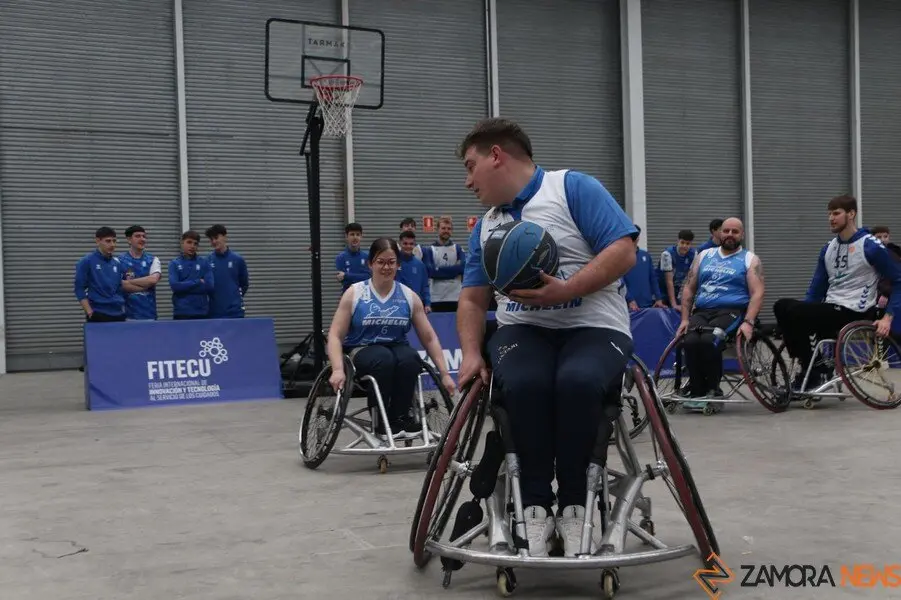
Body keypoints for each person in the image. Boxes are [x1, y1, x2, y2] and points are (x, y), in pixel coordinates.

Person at [455, 118, 638, 558]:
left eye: (470, 166)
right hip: (524, 330)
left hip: (594, 324)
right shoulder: (486, 227)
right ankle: (534, 508)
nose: (467, 182)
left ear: (496, 155)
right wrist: (469, 353)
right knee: (525, 384)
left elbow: (624, 250)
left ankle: (575, 506)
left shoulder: (572, 188)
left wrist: (568, 289)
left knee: (576, 382)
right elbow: (473, 301)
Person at [326, 238, 456, 440]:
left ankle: (400, 418)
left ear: (398, 264)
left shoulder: (409, 296)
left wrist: (445, 374)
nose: (386, 267)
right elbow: (335, 335)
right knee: (383, 358)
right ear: (370, 264)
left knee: (410, 358)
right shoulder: (355, 293)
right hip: (361, 349)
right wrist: (337, 369)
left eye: (391, 262)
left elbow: (429, 338)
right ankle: (382, 421)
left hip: (396, 347)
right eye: (380, 262)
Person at [773, 196, 901, 390]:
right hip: (832, 306)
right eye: (829, 214)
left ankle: (813, 373)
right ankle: (813, 367)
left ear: (851, 214)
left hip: (856, 309)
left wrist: (888, 318)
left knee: (794, 313)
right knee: (782, 306)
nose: (831, 218)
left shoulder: (870, 246)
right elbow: (816, 289)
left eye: (836, 213)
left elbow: (898, 280)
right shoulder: (828, 248)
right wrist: (797, 315)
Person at [677, 217, 765, 402]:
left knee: (711, 339)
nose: (730, 235)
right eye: (726, 231)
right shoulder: (704, 256)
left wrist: (748, 322)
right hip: (702, 311)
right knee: (690, 341)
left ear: (742, 234)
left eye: (735, 231)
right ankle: (696, 388)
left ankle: (713, 388)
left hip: (732, 311)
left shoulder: (750, 259)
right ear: (719, 233)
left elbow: (757, 293)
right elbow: (689, 288)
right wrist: (685, 319)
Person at [74, 227, 144, 322]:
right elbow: (79, 288)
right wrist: (89, 311)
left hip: (119, 314)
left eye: (114, 241)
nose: (112, 244)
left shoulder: (117, 263)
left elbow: (120, 287)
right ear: (98, 241)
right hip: (98, 313)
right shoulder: (87, 261)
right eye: (108, 241)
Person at [205, 224, 249, 318]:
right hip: (214, 312)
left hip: (234, 312)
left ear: (225, 236)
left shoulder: (238, 259)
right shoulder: (207, 261)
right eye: (211, 239)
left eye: (216, 238)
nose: (214, 241)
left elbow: (244, 284)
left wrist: (234, 299)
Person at [118, 225, 162, 320]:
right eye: (138, 236)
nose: (142, 239)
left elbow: (153, 280)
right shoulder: (119, 261)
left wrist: (129, 282)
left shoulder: (153, 259)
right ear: (129, 240)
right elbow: (120, 285)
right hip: (127, 317)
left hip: (149, 315)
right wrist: (145, 286)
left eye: (144, 236)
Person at [422, 217, 465, 313]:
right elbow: (431, 272)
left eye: (449, 229)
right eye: (443, 228)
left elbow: (462, 268)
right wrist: (454, 271)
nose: (446, 231)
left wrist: (439, 270)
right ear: (438, 230)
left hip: (455, 297)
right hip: (436, 298)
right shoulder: (429, 250)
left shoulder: (457, 249)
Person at [169, 230, 215, 320]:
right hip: (181, 312)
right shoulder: (174, 263)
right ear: (182, 243)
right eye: (189, 242)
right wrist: (198, 281)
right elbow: (175, 286)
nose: (192, 246)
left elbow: (209, 286)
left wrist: (184, 285)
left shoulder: (204, 263)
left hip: (201, 312)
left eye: (195, 244)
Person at [622, 225, 664, 310]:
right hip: (629, 305)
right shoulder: (621, 257)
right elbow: (620, 280)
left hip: (647, 304)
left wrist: (658, 298)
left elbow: (653, 278)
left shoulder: (645, 255)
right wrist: (629, 299)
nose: (634, 238)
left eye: (636, 235)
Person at [658, 229, 696, 309]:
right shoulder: (667, 254)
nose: (684, 246)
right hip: (661, 292)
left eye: (688, 243)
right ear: (678, 241)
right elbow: (669, 281)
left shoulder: (693, 254)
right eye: (682, 242)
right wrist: (674, 304)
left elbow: (690, 280)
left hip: (676, 291)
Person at [396, 230, 431, 313]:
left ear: (414, 245)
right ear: (400, 243)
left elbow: (425, 286)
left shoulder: (420, 265)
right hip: (397, 306)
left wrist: (427, 304)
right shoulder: (393, 262)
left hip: (416, 307)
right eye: (405, 243)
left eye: (411, 244)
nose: (408, 246)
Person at [336, 222, 371, 293]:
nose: (355, 237)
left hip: (364, 295)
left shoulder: (367, 256)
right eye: (352, 234)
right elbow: (343, 280)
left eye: (358, 235)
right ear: (346, 236)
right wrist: (360, 277)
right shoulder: (340, 257)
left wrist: (346, 275)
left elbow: (368, 278)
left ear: (361, 237)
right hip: (347, 295)